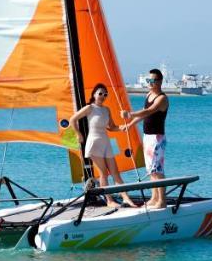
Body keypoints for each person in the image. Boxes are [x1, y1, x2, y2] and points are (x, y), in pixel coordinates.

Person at [68, 83, 139, 208]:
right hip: (94, 143)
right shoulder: (89, 108)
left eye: (105, 94)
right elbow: (72, 119)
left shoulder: (106, 110)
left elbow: (111, 127)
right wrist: (78, 134)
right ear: (94, 94)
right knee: (104, 174)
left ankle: (126, 198)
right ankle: (109, 200)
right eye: (100, 93)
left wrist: (121, 128)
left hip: (106, 142)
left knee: (115, 172)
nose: (102, 96)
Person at [122, 68, 170, 208]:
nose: (149, 83)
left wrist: (130, 114)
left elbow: (149, 111)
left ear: (160, 81)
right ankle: (154, 198)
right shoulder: (148, 94)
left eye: (153, 80)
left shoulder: (162, 98)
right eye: (148, 80)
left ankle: (161, 201)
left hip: (157, 137)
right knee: (150, 170)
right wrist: (130, 124)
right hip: (147, 136)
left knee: (157, 170)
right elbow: (144, 115)